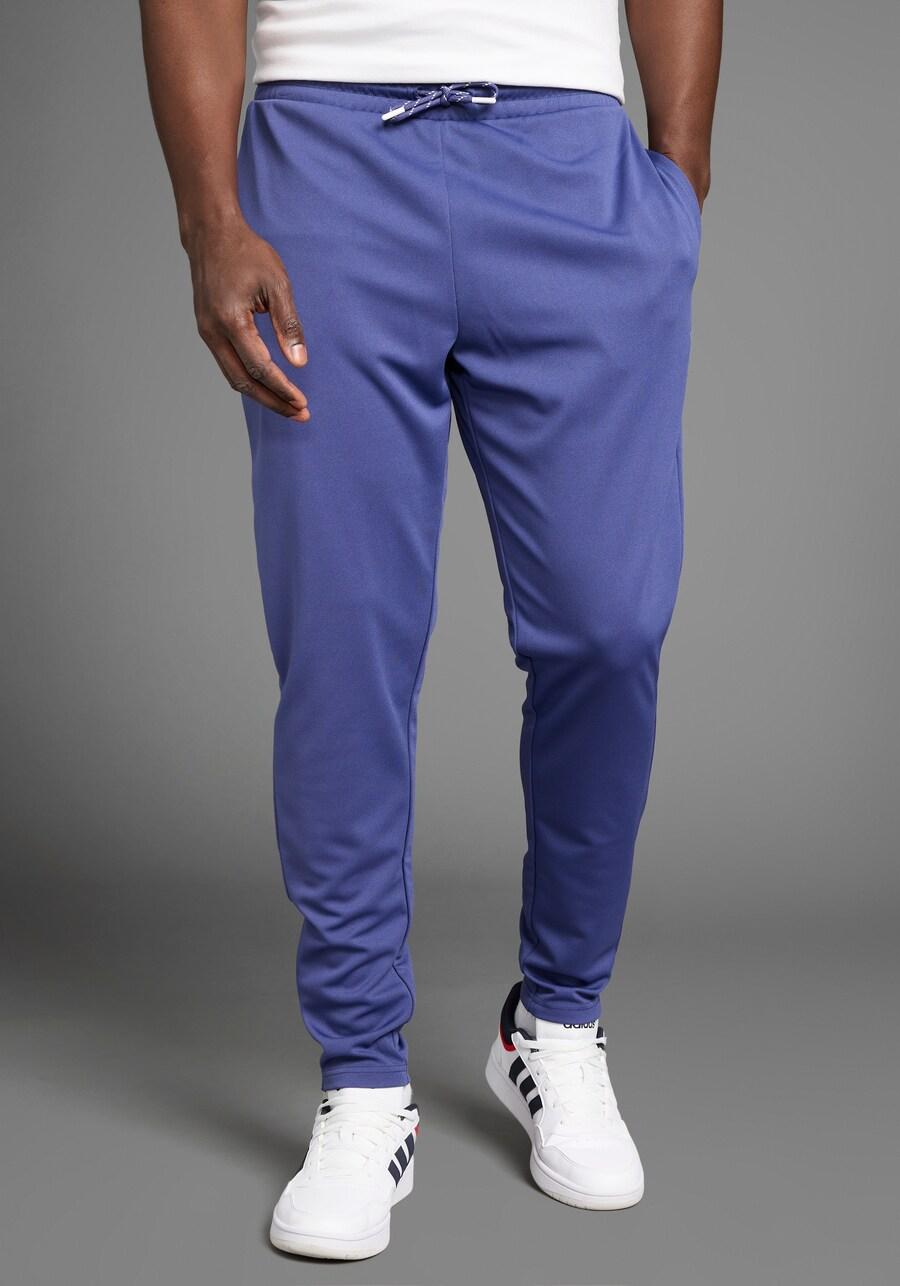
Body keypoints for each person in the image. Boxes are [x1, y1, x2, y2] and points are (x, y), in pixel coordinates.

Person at [140, 0, 721, 1261]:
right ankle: (362, 1079)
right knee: (343, 643)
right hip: (327, 158)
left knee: (609, 623)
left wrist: (679, 178)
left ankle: (556, 1023)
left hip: (570, 159)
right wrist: (210, 217)